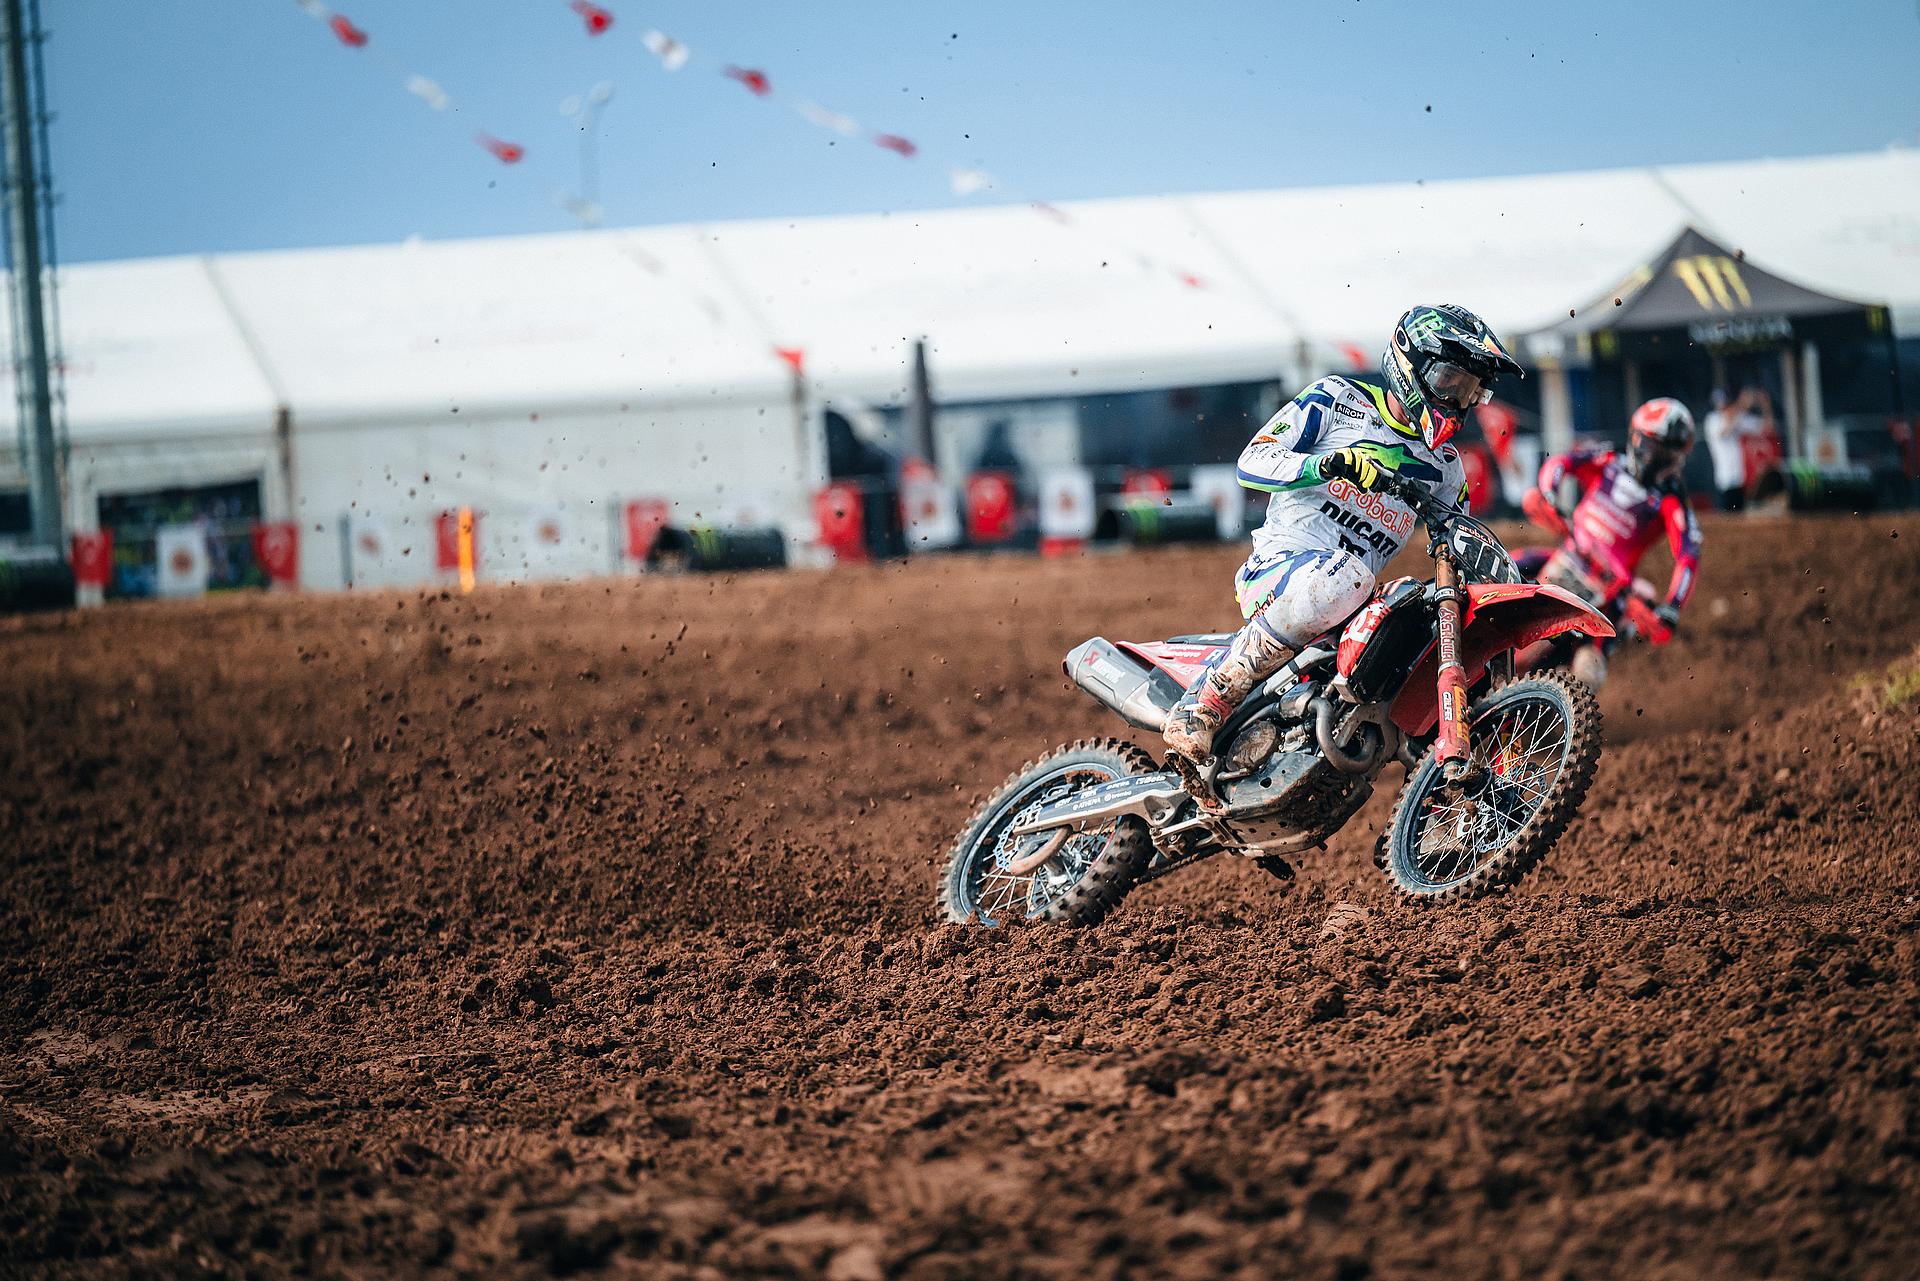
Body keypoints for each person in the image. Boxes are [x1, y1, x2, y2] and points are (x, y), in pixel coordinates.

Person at [1162, 303, 1521, 771]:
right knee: (1349, 576)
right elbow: (1252, 461)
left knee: (1423, 616)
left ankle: (1459, 781)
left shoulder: (1447, 469)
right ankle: (1204, 701)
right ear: (1412, 364)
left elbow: (1459, 544)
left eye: (1470, 391)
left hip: (1351, 608)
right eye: (1450, 381)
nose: (1457, 401)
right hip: (1280, 573)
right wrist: (1325, 464)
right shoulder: (1336, 399)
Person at [1518, 397, 1702, 689]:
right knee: (1500, 565)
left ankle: (1563, 710)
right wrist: (1548, 494)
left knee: (1589, 672)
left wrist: (1671, 608)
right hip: (1568, 555)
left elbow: (1688, 555)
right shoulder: (1609, 459)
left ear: (1678, 457)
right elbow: (1561, 462)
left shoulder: (1671, 499)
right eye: (1650, 447)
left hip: (1609, 590)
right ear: (1635, 439)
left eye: (1664, 453)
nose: (1653, 459)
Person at [1703, 386, 1775, 511]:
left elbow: (1767, 427)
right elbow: (1724, 432)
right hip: (1725, 481)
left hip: (1741, 481)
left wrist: (1766, 405)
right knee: (1727, 518)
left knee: (1740, 517)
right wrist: (1742, 405)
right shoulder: (1713, 420)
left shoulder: (1738, 418)